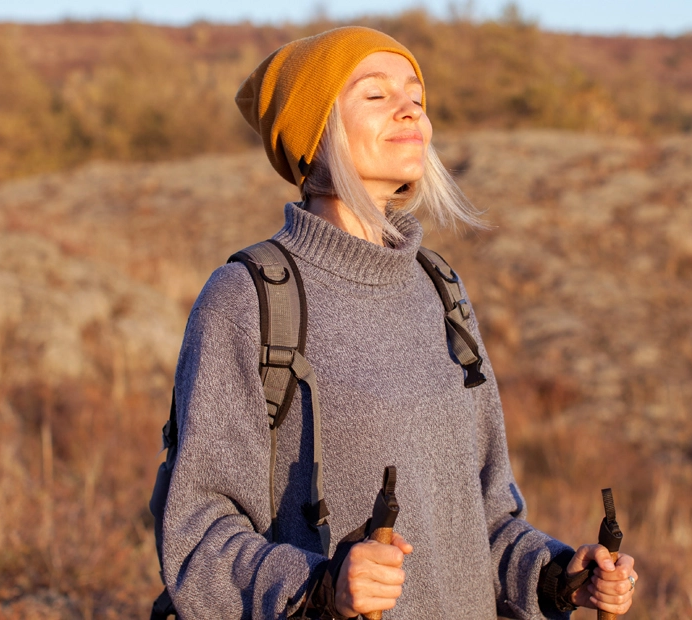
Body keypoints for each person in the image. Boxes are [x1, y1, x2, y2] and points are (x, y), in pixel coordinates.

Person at [160, 26, 638, 619]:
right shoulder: (244, 299)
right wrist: (323, 586)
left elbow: (484, 518)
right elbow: (198, 541)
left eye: (416, 94)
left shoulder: (441, 289)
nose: (411, 108)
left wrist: (558, 575)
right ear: (317, 133)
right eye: (376, 95)